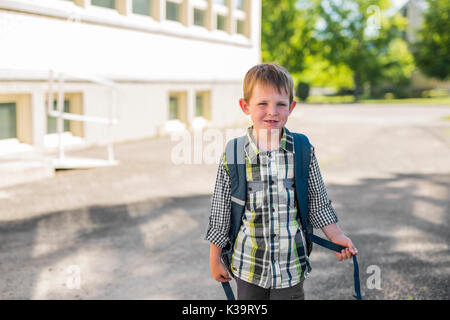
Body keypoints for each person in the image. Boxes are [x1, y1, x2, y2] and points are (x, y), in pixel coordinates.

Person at [204, 63, 358, 300]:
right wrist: (215, 259)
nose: (272, 112)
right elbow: (221, 211)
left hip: (290, 266)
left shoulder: (302, 149)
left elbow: (317, 201)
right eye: (262, 103)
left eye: (280, 104)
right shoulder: (234, 153)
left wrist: (336, 236)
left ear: (291, 107)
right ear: (245, 106)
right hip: (248, 265)